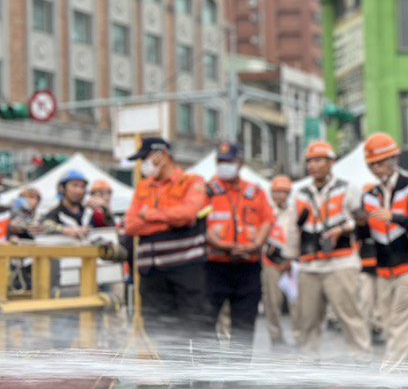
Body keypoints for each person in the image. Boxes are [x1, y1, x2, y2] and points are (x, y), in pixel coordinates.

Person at [354, 133, 408, 389]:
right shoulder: (370, 195)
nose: (377, 169)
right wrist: (358, 224)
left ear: (394, 159)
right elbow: (367, 233)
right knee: (391, 327)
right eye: (373, 164)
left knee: (401, 326)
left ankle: (390, 382)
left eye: (381, 162)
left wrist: (396, 217)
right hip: (386, 272)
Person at [123, 135, 210, 347]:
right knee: (159, 330)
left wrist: (150, 216)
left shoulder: (192, 182)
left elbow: (188, 213)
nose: (142, 164)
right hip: (152, 273)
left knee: (196, 329)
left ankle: (200, 379)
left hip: (186, 269)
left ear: (162, 156)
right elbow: (132, 225)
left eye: (145, 158)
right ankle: (176, 377)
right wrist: (170, 221)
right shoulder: (144, 187)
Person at [292, 141, 371, 363]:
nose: (313, 166)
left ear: (331, 163)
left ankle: (361, 355)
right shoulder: (300, 193)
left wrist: (343, 229)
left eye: (318, 161)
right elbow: (292, 227)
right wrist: (290, 257)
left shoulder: (348, 188)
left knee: (349, 312)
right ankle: (309, 355)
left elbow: (362, 221)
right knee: (308, 315)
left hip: (341, 262)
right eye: (310, 161)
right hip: (309, 263)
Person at [204, 141, 274, 358]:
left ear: (240, 163)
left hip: (248, 266)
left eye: (229, 161)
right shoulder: (207, 191)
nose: (224, 165)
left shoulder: (255, 192)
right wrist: (221, 245)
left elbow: (267, 220)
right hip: (215, 266)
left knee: (244, 323)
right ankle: (209, 368)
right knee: (207, 320)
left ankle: (239, 370)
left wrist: (255, 244)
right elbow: (199, 223)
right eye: (220, 162)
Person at [262, 174, 298, 349]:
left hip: (292, 262)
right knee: (272, 302)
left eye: (282, 192)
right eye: (276, 192)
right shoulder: (267, 212)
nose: (279, 196)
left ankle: (300, 336)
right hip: (271, 261)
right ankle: (276, 336)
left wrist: (293, 258)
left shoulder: (295, 212)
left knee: (296, 302)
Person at [43, 171, 93, 238]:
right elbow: (45, 225)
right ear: (62, 188)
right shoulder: (56, 213)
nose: (79, 191)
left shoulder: (89, 212)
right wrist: (64, 230)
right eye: (74, 185)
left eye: (82, 187)